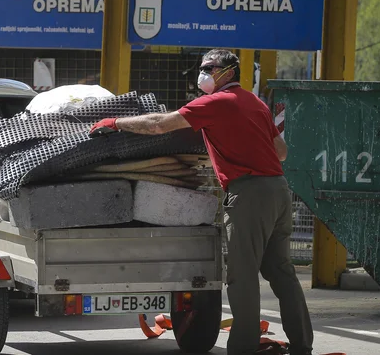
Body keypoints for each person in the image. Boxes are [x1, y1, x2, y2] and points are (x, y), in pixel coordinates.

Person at [89, 48, 314, 355]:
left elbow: (159, 124)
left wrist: (114, 122)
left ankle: (242, 349)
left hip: (249, 195)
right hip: (278, 190)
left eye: (211, 67)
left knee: (242, 277)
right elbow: (282, 151)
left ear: (229, 72)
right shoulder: (254, 103)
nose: (204, 72)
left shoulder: (215, 103)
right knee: (281, 271)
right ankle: (302, 347)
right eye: (203, 67)